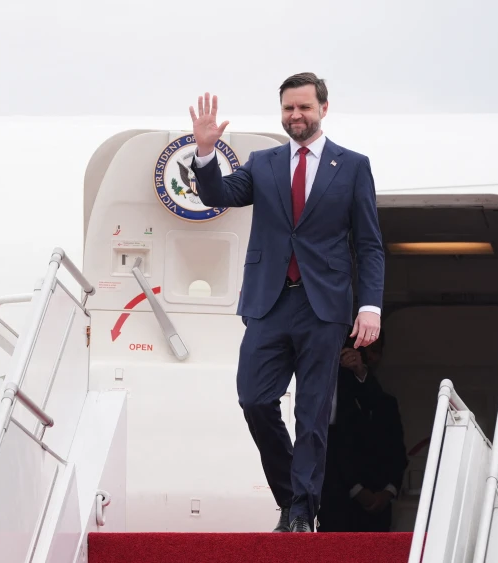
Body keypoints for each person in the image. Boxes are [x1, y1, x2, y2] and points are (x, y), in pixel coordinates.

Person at [188, 72, 385, 532]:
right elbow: (217, 195)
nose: (295, 116)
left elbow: (370, 244)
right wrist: (204, 152)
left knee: (312, 413)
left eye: (304, 107)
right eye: (288, 108)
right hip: (269, 301)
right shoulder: (264, 162)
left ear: (323, 109)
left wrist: (369, 306)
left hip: (324, 307)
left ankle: (301, 513)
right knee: (254, 400)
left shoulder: (352, 166)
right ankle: (290, 495)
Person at [318, 333, 408, 532]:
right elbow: (333, 445)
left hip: (379, 506)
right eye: (368, 351)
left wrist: (388, 492)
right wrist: (357, 491)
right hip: (339, 502)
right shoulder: (331, 397)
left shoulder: (387, 403)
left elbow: (397, 451)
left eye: (377, 351)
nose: (373, 358)